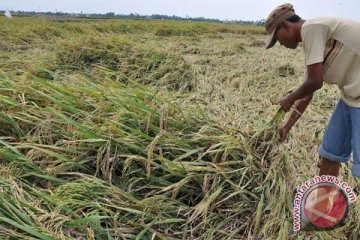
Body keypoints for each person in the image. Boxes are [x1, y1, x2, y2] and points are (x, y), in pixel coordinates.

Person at [264, 3, 360, 178]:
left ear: (285, 26)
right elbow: (308, 91)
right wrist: (287, 127)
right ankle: (323, 202)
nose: (280, 44)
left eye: (278, 39)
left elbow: (315, 82)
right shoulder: (314, 39)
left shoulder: (312, 28)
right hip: (351, 97)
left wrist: (290, 98)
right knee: (331, 152)